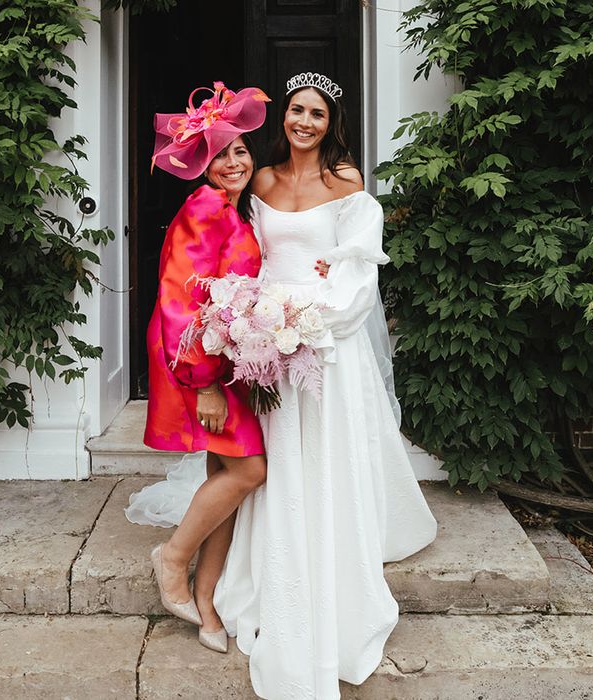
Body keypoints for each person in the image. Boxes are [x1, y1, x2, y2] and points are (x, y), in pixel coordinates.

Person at [211, 72, 438, 699]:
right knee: (277, 453)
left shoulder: (347, 184)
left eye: (316, 114)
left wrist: (318, 315)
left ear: (330, 122)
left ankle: (333, 547)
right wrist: (249, 319)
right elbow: (243, 253)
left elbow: (359, 271)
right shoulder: (260, 180)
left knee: (330, 450)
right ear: (282, 118)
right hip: (266, 340)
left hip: (325, 342)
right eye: (295, 111)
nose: (304, 122)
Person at [141, 82, 271, 654]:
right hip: (203, 364)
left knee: (227, 475)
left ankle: (208, 603)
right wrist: (208, 385)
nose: (234, 162)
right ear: (202, 163)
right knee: (250, 473)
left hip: (231, 360)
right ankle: (171, 559)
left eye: (240, 150)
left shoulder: (233, 210)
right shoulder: (205, 206)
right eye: (220, 154)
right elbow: (181, 300)